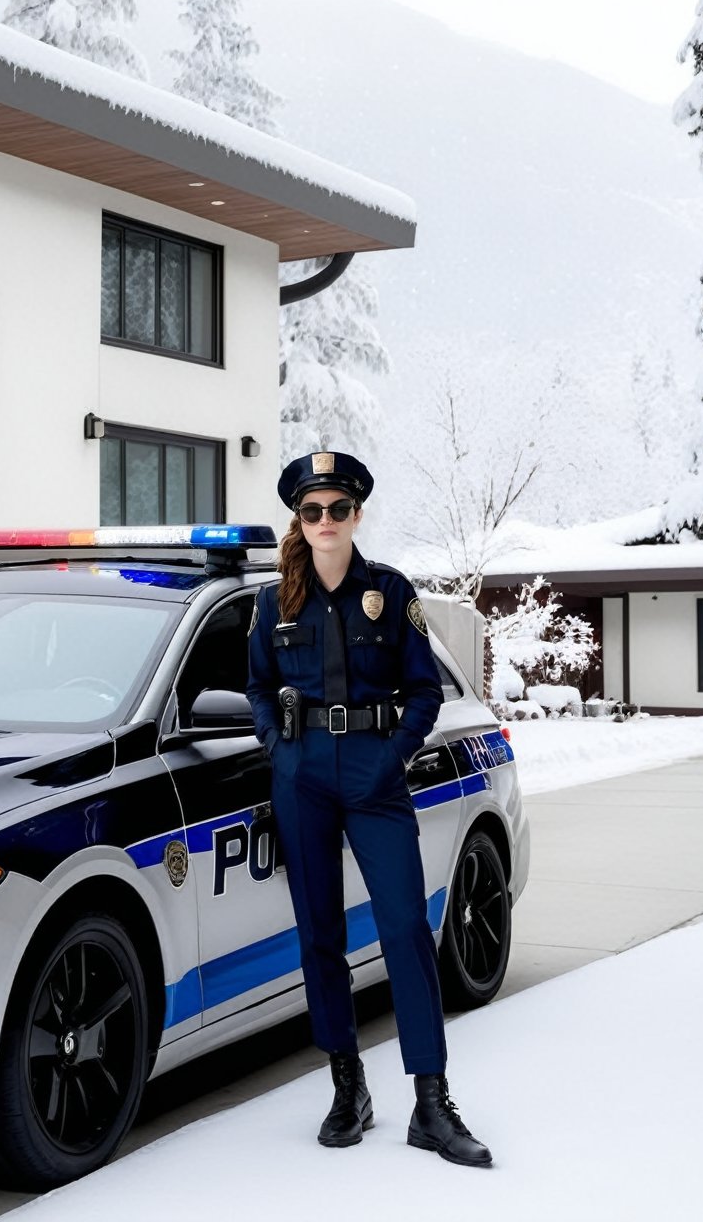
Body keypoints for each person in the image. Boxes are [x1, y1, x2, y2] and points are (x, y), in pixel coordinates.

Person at [246, 449, 492, 1167]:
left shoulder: (388, 591)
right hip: (302, 778)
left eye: (338, 509)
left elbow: (424, 690)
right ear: (300, 517)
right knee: (320, 935)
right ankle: (347, 1085)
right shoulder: (273, 601)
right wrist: (276, 747)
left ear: (357, 515)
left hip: (374, 772)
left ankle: (431, 1101)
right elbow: (259, 687)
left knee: (406, 928)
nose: (325, 521)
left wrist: (391, 756)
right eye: (313, 510)